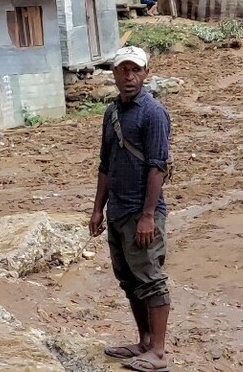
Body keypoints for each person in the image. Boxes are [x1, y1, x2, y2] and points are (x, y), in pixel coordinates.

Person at [91, 45, 172, 372]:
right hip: (118, 212)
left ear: (145, 74)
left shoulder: (153, 113)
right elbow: (105, 165)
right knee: (128, 279)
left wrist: (148, 216)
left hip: (142, 214)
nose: (129, 76)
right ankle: (143, 341)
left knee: (151, 279)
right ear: (114, 74)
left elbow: (157, 167)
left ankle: (159, 351)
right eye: (123, 70)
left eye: (135, 70)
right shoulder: (112, 113)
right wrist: (98, 209)